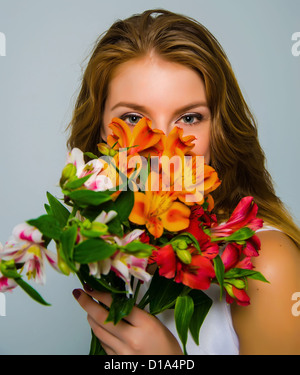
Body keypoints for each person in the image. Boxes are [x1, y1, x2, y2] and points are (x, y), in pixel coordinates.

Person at [67, 9, 300, 355]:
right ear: (100, 131)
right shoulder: (114, 245)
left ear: (219, 130)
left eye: (189, 118)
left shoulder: (267, 264)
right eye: (133, 118)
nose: (163, 147)